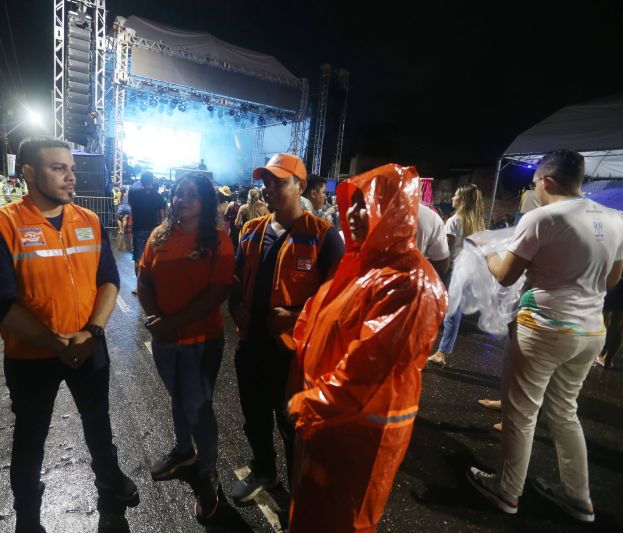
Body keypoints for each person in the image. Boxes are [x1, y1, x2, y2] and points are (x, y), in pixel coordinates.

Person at [0, 137, 139, 532]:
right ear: (28, 172)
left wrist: (92, 332)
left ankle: (109, 487)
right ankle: (28, 519)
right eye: (58, 168)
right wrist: (57, 343)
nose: (70, 177)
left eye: (71, 169)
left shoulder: (90, 220)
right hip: (31, 359)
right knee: (30, 438)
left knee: (99, 423)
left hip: (88, 347)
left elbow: (108, 281)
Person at [466, 150, 623, 523]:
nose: (535, 189)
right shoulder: (614, 221)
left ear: (547, 181)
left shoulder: (542, 217)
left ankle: (506, 491)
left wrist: (484, 250)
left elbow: (505, 275)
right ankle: (578, 497)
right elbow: (612, 280)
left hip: (543, 329)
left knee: (521, 413)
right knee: (565, 412)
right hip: (590, 331)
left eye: (535, 182)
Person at [288, 164, 447, 532]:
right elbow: (317, 319)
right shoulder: (362, 264)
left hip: (360, 428)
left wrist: (309, 403)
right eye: (353, 204)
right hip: (330, 417)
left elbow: (368, 368)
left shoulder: (410, 282)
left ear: (393, 208)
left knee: (344, 519)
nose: (355, 214)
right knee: (314, 512)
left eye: (368, 204)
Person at [229, 153, 345, 502]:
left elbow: (337, 302)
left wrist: (296, 317)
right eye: (267, 182)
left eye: (279, 182)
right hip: (251, 346)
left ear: (301, 186)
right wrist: (236, 310)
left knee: (293, 425)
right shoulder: (251, 231)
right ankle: (264, 471)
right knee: (254, 417)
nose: (270, 189)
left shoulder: (324, 237)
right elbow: (237, 281)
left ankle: (300, 496)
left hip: (294, 355)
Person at [137, 173, 235, 520]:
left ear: (205, 201)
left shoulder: (217, 241)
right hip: (166, 340)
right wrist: (155, 320)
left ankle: (208, 471)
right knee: (178, 398)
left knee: (199, 407)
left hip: (200, 342)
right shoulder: (159, 235)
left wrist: (170, 325)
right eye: (179, 193)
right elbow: (144, 278)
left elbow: (217, 293)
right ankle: (184, 452)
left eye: (192, 194)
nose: (182, 199)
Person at [428, 183, 485, 366]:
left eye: (455, 195)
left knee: (442, 310)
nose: (452, 198)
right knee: (454, 312)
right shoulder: (478, 222)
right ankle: (442, 351)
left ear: (461, 200)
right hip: (469, 270)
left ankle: (438, 351)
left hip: (454, 271)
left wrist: (439, 273)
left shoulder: (454, 221)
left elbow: (447, 252)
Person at [596, 219, 623, 368]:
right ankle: (606, 358)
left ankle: (601, 354)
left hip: (621, 282)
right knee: (618, 322)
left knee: (605, 318)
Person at [128, 171, 166, 290]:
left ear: (141, 180)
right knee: (153, 257)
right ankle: (152, 285)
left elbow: (131, 207)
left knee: (138, 258)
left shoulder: (133, 193)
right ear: (152, 181)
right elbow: (162, 215)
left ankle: (139, 287)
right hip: (153, 230)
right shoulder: (158, 196)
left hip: (138, 229)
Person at [416, 203, 450, 276]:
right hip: (413, 281)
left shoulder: (385, 209)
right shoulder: (430, 217)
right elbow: (441, 265)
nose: (453, 198)